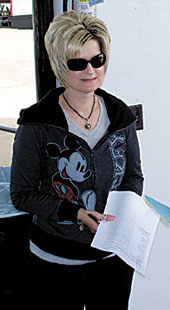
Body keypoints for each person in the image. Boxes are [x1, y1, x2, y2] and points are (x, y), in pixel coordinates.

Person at [10, 11, 143, 310]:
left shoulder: (121, 116)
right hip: (55, 263)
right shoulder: (36, 124)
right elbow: (22, 194)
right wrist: (76, 213)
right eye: (77, 63)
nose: (90, 70)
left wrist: (124, 211)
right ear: (60, 65)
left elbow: (133, 177)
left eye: (97, 60)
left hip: (112, 260)